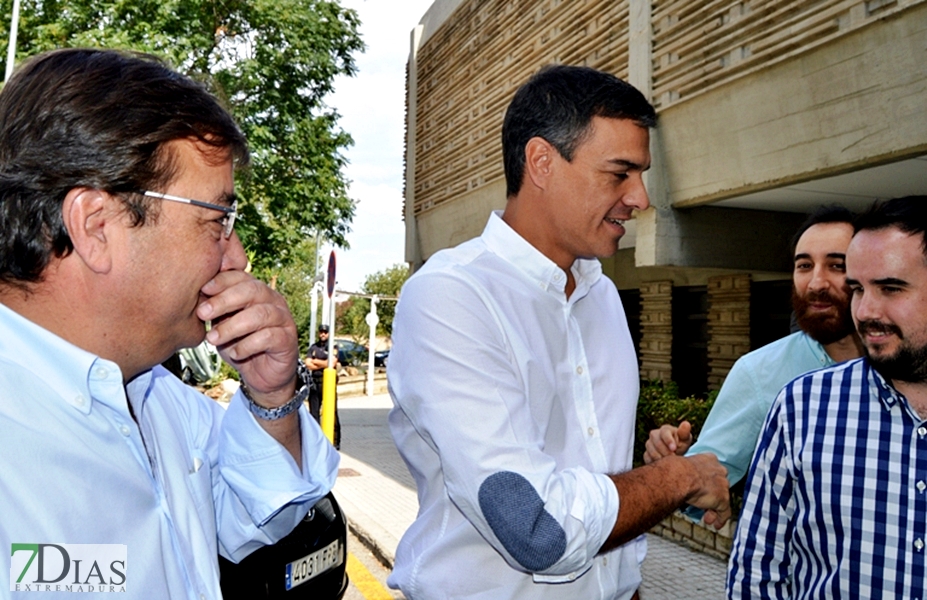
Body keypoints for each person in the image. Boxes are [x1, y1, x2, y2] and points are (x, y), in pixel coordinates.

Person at [0, 49, 339, 597]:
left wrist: (271, 397)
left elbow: (260, 520)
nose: (238, 256)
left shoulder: (163, 400)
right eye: (217, 220)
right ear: (96, 226)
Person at [387, 64, 730, 599]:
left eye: (641, 176)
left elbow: (586, 470)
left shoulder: (603, 297)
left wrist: (648, 474)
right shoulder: (451, 297)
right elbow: (536, 529)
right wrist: (682, 479)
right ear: (542, 162)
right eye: (620, 173)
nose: (640, 198)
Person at [728, 196, 927, 599]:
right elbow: (757, 570)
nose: (866, 310)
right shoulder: (802, 408)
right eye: (857, 289)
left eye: (890, 288)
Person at [643, 206, 863, 491]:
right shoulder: (759, 372)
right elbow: (707, 478)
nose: (816, 283)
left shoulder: (906, 366)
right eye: (804, 266)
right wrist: (678, 465)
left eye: (837, 265)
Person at [305, 323, 341, 448]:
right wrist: (323, 362)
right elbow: (308, 363)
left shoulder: (333, 347)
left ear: (329, 333)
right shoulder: (313, 347)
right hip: (315, 382)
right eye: (321, 332)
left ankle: (335, 441)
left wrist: (316, 361)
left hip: (328, 381)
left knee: (332, 411)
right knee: (313, 412)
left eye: (325, 332)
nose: (323, 334)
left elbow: (332, 362)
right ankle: (315, 440)